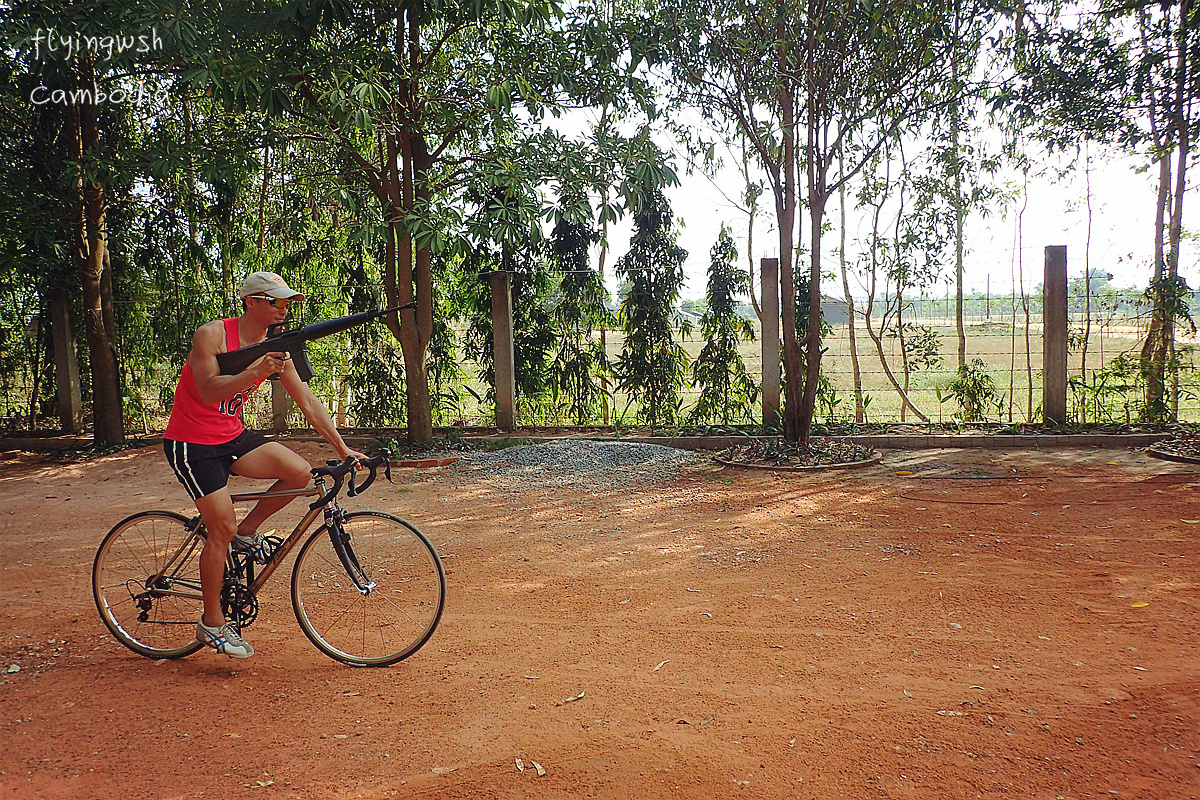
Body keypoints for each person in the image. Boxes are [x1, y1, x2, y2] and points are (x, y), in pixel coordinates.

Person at [162, 271, 366, 658]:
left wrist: (342, 449)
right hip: (192, 442)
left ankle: (247, 532)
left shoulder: (278, 346)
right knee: (219, 527)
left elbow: (307, 400)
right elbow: (207, 392)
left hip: (231, 435)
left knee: (300, 473)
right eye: (275, 301)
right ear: (251, 302)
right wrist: (256, 371)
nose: (283, 308)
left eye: (287, 302)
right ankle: (212, 623)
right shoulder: (213, 335)